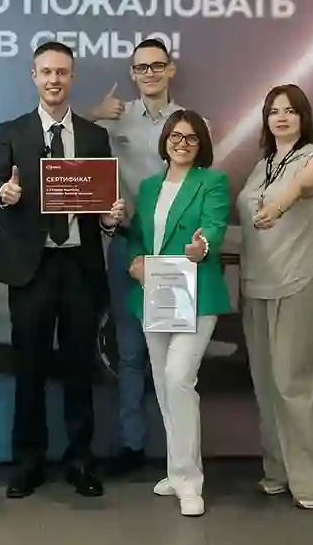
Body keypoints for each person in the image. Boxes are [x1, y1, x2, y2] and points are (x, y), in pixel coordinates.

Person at [0, 41, 125, 499]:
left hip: (80, 266)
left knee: (81, 368)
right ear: (34, 76)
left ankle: (80, 461)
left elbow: (102, 201)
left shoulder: (94, 136)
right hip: (32, 268)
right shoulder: (12, 131)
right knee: (30, 367)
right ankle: (28, 462)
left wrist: (109, 218)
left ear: (72, 77)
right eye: (46, 72)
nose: (54, 80)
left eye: (62, 72)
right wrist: (3, 193)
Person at [237, 84, 313, 510]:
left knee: (295, 384)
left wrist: (283, 200)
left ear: (304, 117)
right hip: (257, 286)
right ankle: (281, 470)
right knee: (268, 385)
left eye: (290, 110)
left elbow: (312, 181)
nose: (282, 117)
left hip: (298, 280)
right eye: (274, 111)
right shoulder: (262, 165)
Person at [86, 36, 184, 477]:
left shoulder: (189, 122)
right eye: (141, 67)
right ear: (132, 73)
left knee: (173, 357)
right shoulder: (114, 117)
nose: (150, 73)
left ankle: (180, 451)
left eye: (157, 65)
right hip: (125, 244)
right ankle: (132, 445)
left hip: (172, 249)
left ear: (170, 69)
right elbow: (69, 147)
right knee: (128, 352)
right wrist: (93, 115)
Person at [125, 109, 231, 517]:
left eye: (191, 138)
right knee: (163, 384)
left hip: (196, 292)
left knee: (178, 378)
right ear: (165, 140)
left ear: (201, 144)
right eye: (176, 136)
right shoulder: (149, 186)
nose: (182, 143)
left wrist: (202, 247)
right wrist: (135, 261)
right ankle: (176, 469)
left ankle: (189, 481)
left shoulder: (213, 181)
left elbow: (214, 227)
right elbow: (138, 236)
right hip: (157, 291)